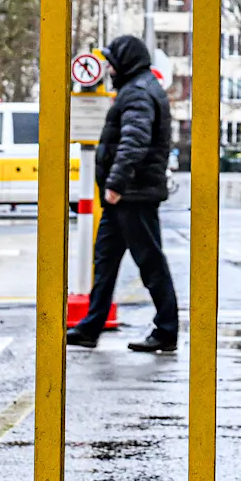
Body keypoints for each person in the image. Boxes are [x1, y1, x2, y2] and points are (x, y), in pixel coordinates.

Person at [65, 34, 179, 352]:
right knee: (105, 260)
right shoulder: (136, 89)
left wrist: (115, 185)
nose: (109, 68)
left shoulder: (139, 93)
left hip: (134, 195)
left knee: (150, 261)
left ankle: (167, 330)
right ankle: (91, 325)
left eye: (113, 62)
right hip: (127, 195)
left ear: (125, 62)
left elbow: (133, 142)